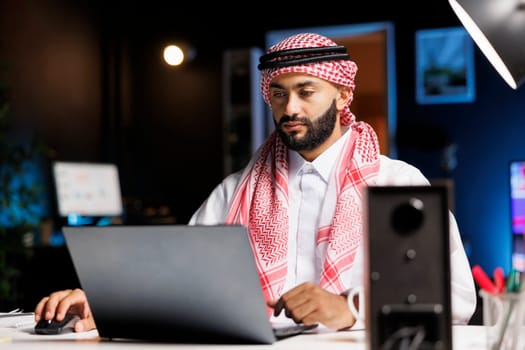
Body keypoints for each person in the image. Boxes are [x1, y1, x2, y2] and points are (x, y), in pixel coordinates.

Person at [34, 33, 477, 333]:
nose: (290, 108)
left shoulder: (396, 182)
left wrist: (350, 309)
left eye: (306, 91)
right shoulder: (235, 190)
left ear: (343, 96)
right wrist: (105, 300)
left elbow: (455, 297)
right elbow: (173, 273)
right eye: (279, 94)